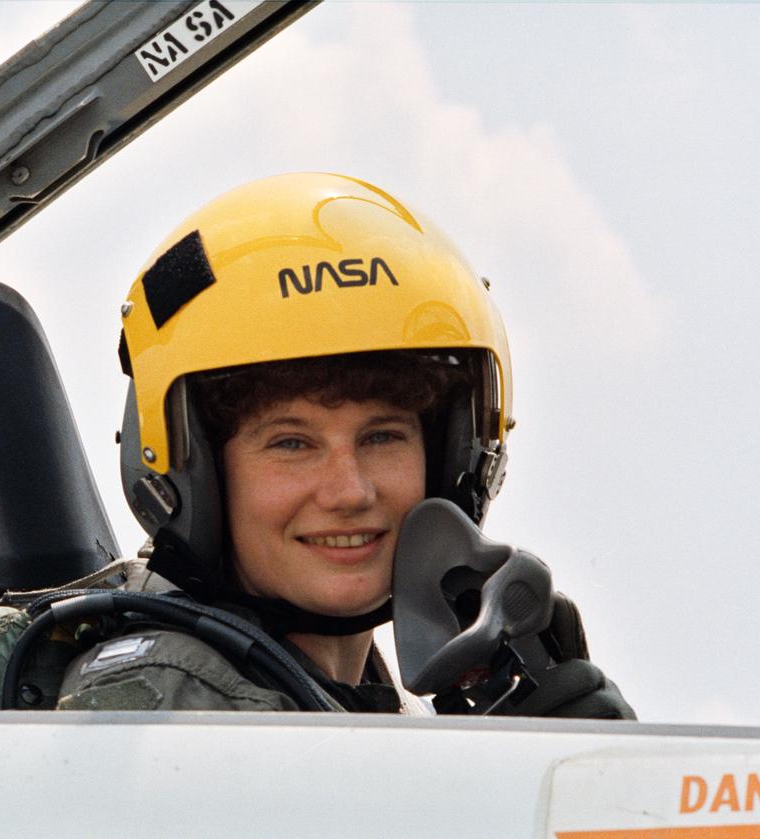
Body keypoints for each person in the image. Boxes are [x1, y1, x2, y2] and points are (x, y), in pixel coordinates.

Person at [54, 172, 633, 717]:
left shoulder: (333, 704)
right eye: (291, 443)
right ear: (194, 476)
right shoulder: (163, 707)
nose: (349, 491)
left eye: (382, 436)